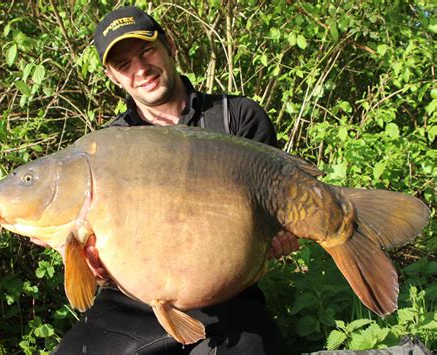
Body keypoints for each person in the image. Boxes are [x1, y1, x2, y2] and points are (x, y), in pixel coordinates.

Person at [53, 6, 299, 354]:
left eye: (146, 52)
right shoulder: (104, 150)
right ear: (112, 76)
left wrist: (276, 236)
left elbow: (274, 215)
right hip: (133, 304)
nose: (140, 70)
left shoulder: (235, 117)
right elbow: (97, 267)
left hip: (226, 297)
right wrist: (98, 268)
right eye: (124, 65)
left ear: (169, 45)